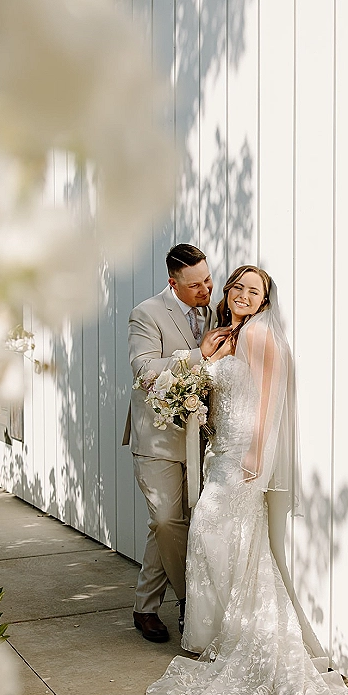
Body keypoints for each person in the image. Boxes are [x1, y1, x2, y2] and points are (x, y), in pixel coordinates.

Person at [146, 265, 348, 695]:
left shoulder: (259, 335)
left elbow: (270, 400)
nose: (243, 295)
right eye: (237, 287)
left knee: (215, 533)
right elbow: (219, 391)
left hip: (243, 457)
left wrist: (257, 452)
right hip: (221, 451)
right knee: (219, 540)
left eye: (254, 291)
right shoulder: (227, 335)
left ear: (265, 299)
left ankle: (235, 634)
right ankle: (215, 634)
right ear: (228, 292)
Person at [123, 244, 230, 643]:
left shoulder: (212, 309)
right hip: (156, 437)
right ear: (173, 283)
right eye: (196, 284)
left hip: (199, 436)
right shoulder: (146, 313)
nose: (206, 289)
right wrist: (195, 355)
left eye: (207, 279)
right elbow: (144, 368)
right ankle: (189, 602)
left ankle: (144, 608)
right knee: (169, 520)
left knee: (164, 525)